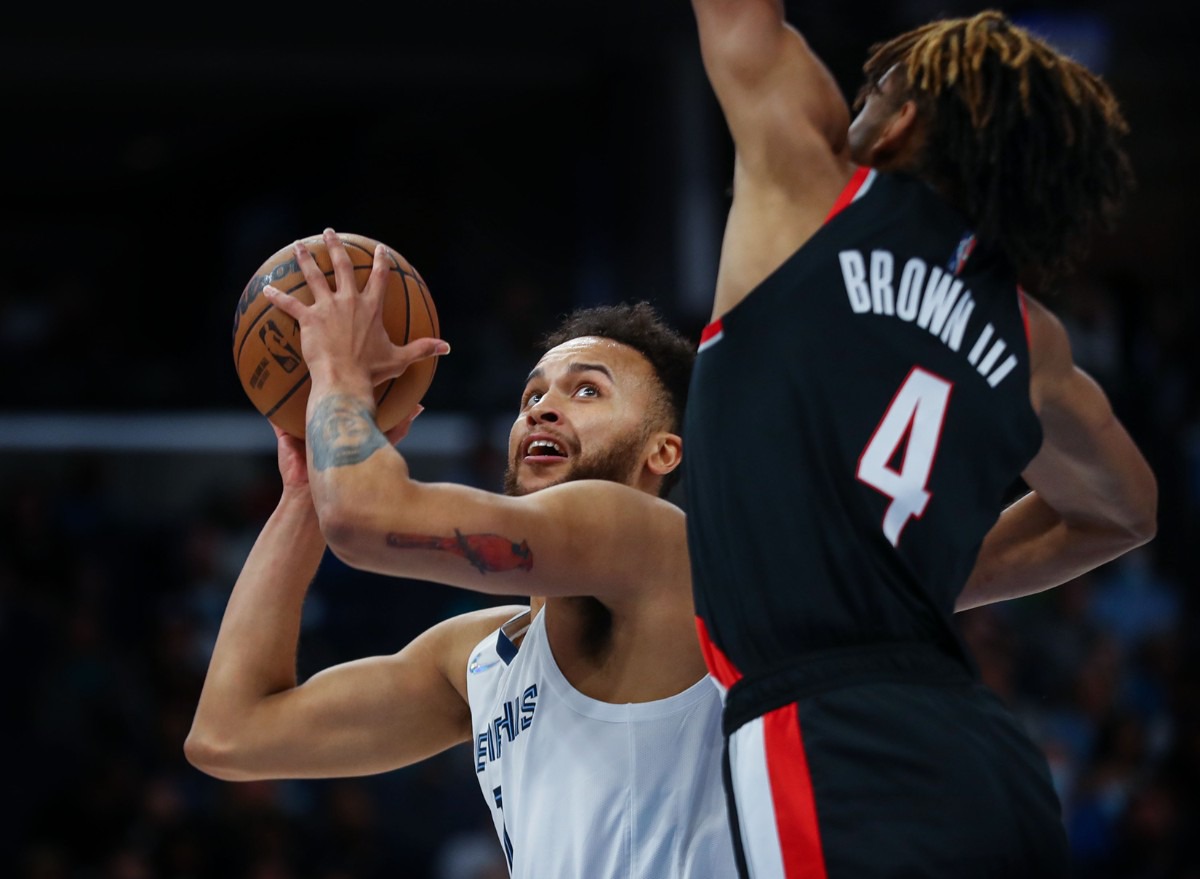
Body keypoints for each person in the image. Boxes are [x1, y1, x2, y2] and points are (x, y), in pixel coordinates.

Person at [682, 4, 1158, 878]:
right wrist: (919, 578)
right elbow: (1126, 512)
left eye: (871, 94)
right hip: (985, 755)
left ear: (902, 122)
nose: (854, 108)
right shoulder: (1032, 338)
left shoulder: (812, 192)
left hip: (830, 736)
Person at [185, 232, 737, 878]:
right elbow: (230, 735)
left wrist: (337, 373)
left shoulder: (653, 541)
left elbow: (366, 519)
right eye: (532, 396)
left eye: (587, 391)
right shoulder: (481, 661)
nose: (544, 410)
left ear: (663, 451)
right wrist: (307, 492)